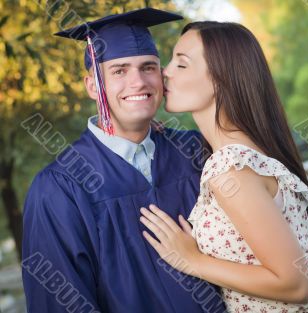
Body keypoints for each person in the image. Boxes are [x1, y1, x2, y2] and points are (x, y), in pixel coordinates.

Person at [140, 21, 308, 312]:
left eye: (181, 64)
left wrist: (192, 260)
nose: (165, 72)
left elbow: (295, 284)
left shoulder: (230, 167)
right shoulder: (248, 153)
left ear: (221, 79)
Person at [21, 8, 226, 313]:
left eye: (148, 67)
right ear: (93, 86)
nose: (138, 82)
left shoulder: (196, 151)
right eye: (119, 70)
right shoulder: (59, 188)